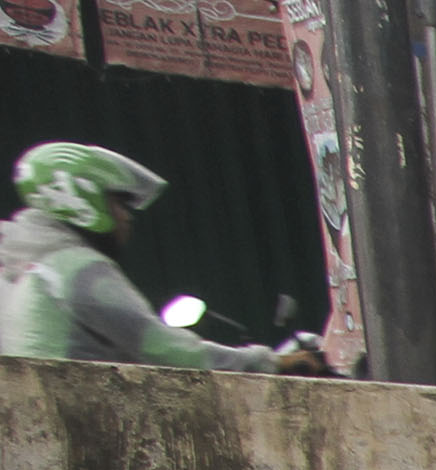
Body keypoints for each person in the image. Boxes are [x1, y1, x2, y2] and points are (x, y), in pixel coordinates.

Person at [3, 144, 315, 372]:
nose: (127, 218)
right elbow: (166, 350)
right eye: (119, 204)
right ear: (80, 198)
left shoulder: (18, 268)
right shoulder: (73, 266)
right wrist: (268, 362)